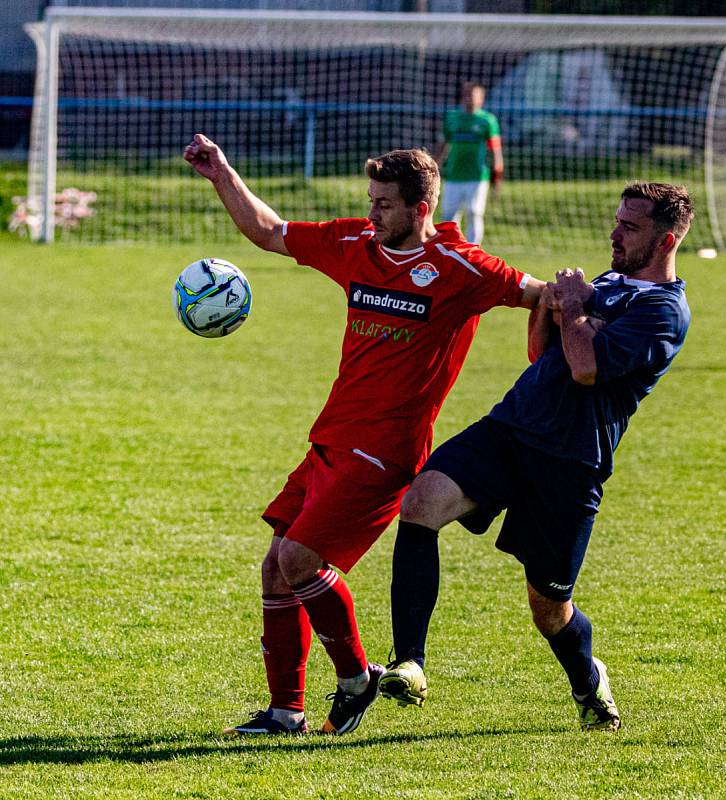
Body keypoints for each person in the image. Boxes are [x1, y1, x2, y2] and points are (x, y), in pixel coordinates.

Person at [183, 133, 544, 736]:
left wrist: (583, 322)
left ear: (419, 209)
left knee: (299, 559)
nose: (372, 212)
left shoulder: (462, 267)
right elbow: (271, 232)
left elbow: (542, 294)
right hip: (331, 435)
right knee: (276, 567)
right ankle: (285, 712)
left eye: (384, 203)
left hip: (386, 451)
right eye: (370, 199)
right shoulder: (355, 243)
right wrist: (221, 174)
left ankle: (356, 680)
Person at [378, 183, 694, 732]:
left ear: (666, 240)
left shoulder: (665, 312)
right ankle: (411, 662)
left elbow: (586, 368)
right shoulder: (607, 284)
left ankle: (589, 682)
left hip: (570, 465)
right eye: (616, 221)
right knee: (421, 503)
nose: (614, 234)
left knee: (549, 611)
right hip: (510, 428)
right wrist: (554, 308)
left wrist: (575, 309)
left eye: (630, 228)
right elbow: (543, 352)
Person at [435, 81, 503, 245]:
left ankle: (473, 249)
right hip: (454, 175)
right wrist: (435, 166)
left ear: (481, 99)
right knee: (448, 216)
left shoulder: (487, 120)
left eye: (473, 96)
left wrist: (498, 171)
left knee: (474, 212)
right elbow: (443, 145)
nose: (469, 99)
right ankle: (452, 248)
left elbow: (496, 149)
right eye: (466, 95)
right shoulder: (452, 117)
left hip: (477, 176)